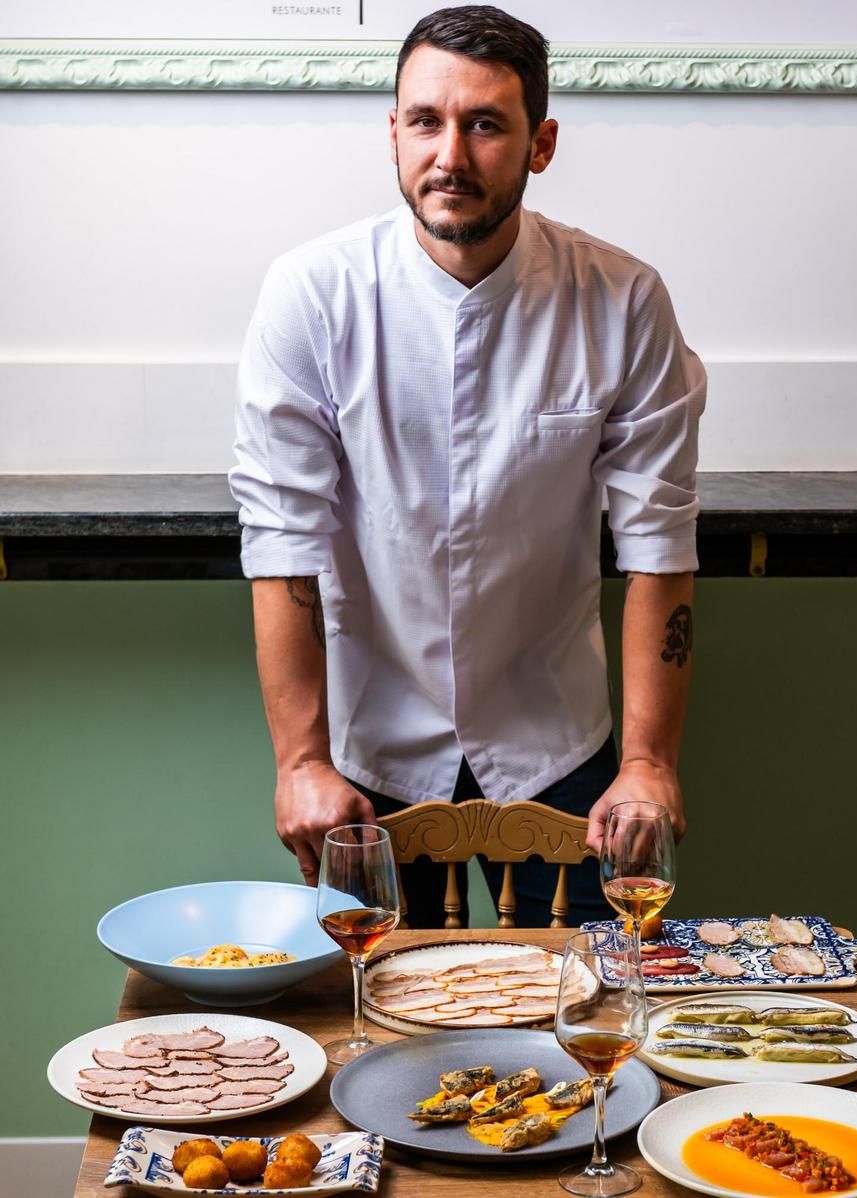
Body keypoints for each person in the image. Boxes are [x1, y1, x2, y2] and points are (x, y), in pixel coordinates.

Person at [229, 5, 705, 927]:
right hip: (370, 759)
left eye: (486, 124)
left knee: (594, 1023)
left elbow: (659, 545)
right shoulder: (313, 295)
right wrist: (299, 761)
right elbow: (283, 536)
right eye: (426, 121)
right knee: (377, 1043)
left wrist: (650, 761)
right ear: (394, 133)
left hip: (561, 748)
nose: (451, 154)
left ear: (542, 143)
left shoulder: (623, 299)